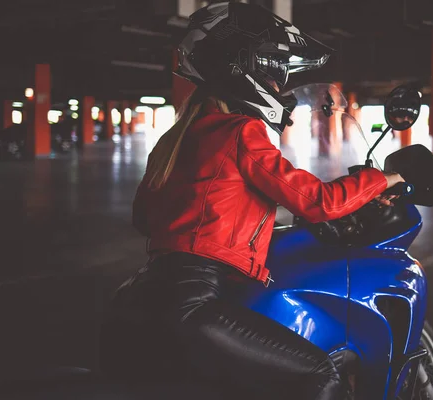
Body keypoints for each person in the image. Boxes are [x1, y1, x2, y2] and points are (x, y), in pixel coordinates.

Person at [99, 3, 404, 400]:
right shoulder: (242, 131)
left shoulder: (177, 139)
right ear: (247, 74)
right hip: (191, 305)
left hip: (135, 298)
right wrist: (384, 178)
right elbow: (317, 201)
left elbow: (148, 218)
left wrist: (246, 219)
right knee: (317, 373)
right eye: (276, 76)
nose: (280, 89)